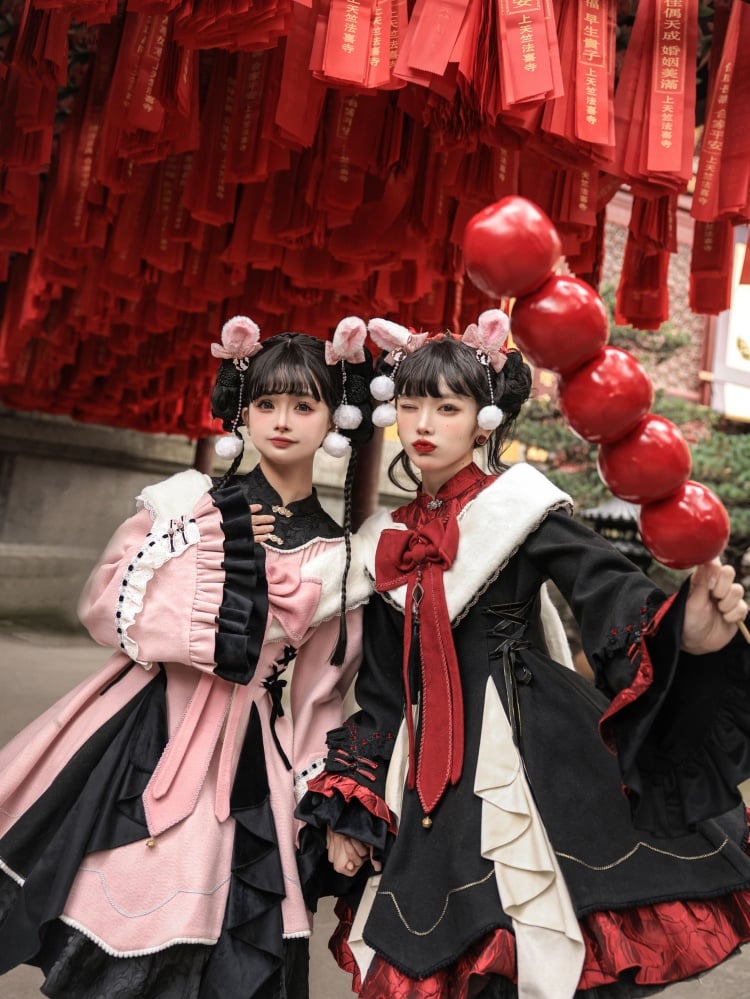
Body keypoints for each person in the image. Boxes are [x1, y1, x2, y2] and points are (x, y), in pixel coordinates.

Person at [297, 310, 750, 999]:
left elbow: (605, 588)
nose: (423, 422)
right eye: (411, 403)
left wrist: (682, 627)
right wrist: (355, 804)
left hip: (533, 752)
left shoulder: (523, 505)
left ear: (483, 416)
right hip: (423, 774)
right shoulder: (382, 537)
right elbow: (387, 690)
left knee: (548, 948)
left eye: (445, 406)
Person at [0, 315, 374, 998]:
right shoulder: (187, 503)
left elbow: (320, 695)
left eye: (303, 403)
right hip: (141, 725)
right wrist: (204, 542)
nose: (281, 420)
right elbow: (103, 605)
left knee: (222, 937)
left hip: (249, 753)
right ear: (243, 410)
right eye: (265, 403)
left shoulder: (341, 556)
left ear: (334, 419)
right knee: (115, 904)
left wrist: (323, 803)